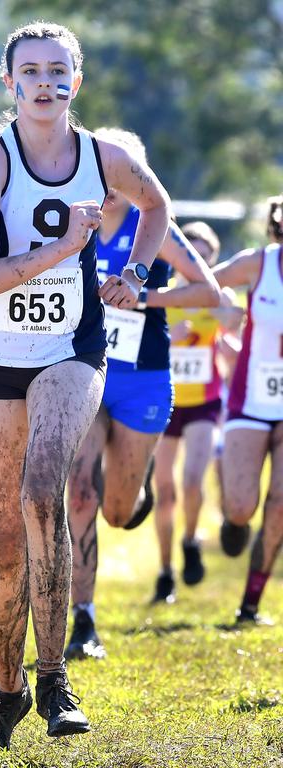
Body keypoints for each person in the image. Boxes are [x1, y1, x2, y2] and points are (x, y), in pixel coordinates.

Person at [0, 23, 172, 752]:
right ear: (9, 82)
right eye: (30, 72)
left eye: (58, 72)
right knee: (6, 541)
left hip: (71, 349)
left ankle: (55, 681)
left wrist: (135, 275)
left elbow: (158, 207)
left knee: (44, 489)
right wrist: (58, 251)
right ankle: (7, 691)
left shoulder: (104, 158)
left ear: (75, 82)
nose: (44, 84)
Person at [65, 128, 221, 659]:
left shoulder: (153, 229)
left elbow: (210, 293)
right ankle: (82, 620)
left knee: (117, 512)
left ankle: (138, 478)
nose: (110, 183)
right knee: (80, 492)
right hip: (87, 372)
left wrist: (144, 295)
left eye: (122, 172)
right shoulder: (74, 220)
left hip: (144, 380)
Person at [152, 222, 243, 602]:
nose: (200, 262)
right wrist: (166, 340)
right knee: (165, 492)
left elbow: (237, 339)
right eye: (195, 254)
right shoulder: (164, 297)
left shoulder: (218, 297)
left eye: (207, 256)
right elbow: (141, 344)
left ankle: (190, 541)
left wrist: (229, 331)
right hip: (165, 402)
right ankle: (165, 571)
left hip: (204, 405)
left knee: (192, 481)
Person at [213, 195, 283, 624]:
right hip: (251, 397)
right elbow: (205, 281)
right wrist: (225, 313)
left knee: (280, 504)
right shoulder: (258, 264)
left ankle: (251, 604)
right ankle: (234, 521)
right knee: (242, 505)